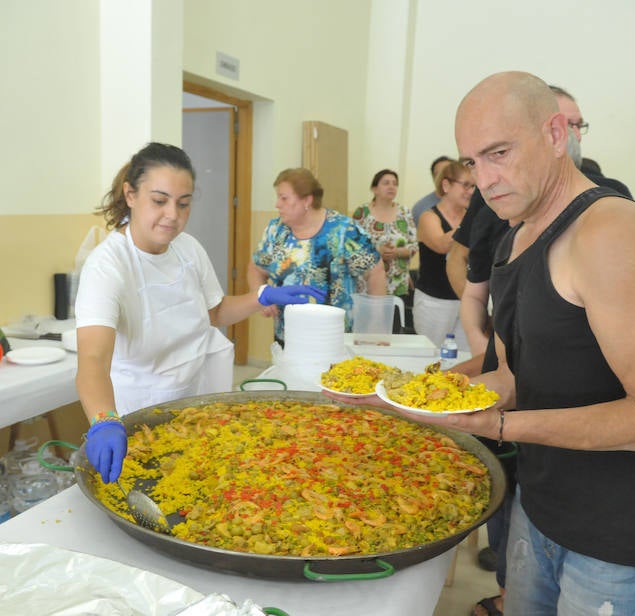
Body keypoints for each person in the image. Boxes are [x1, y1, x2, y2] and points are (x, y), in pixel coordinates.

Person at [328, 72, 635, 615]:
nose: (485, 179)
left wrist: (498, 426)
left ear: (554, 134)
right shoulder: (515, 234)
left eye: (498, 152)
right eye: (473, 162)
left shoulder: (608, 231)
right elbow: (518, 375)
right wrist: (406, 394)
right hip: (541, 502)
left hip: (618, 531)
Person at [75, 143, 325, 484]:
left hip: (195, 401)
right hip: (138, 414)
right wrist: (104, 420)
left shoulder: (187, 248)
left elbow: (216, 312)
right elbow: (92, 360)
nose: (172, 216)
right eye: (159, 201)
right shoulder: (107, 266)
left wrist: (262, 295)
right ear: (130, 195)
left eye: (183, 203)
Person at [248, 167, 385, 342]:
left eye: (284, 198)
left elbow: (375, 271)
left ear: (307, 200)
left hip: (334, 338)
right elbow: (256, 268)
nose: (277, 204)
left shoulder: (343, 230)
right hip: (288, 336)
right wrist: (261, 295)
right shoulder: (276, 230)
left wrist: (375, 322)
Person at [413, 160, 472, 349]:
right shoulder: (428, 217)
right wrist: (472, 221)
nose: (470, 192)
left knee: (463, 359)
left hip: (465, 299)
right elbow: (441, 245)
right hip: (434, 302)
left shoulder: (471, 217)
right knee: (430, 357)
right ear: (446, 185)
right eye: (465, 185)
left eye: (474, 187)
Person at [351, 169, 417, 331]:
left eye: (395, 184)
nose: (391, 187)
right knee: (367, 330)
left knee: (392, 331)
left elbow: (414, 245)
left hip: (396, 283)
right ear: (374, 188)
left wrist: (397, 252)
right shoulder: (362, 213)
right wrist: (377, 252)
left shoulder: (404, 212)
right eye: (386, 183)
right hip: (367, 284)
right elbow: (352, 246)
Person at [410, 155, 454, 226]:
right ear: (433, 178)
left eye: (448, 173)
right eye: (439, 174)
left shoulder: (468, 203)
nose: (443, 178)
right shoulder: (421, 208)